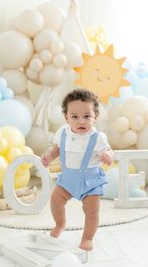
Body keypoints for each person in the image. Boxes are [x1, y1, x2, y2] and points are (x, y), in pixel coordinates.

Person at [41, 88, 113, 251]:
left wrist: (108, 155)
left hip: (90, 182)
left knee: (92, 211)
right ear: (66, 117)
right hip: (68, 180)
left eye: (87, 116)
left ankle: (87, 237)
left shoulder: (97, 138)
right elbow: (57, 149)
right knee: (55, 201)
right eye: (75, 117)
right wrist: (49, 156)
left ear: (95, 117)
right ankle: (60, 224)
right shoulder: (63, 133)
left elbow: (109, 150)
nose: (81, 121)